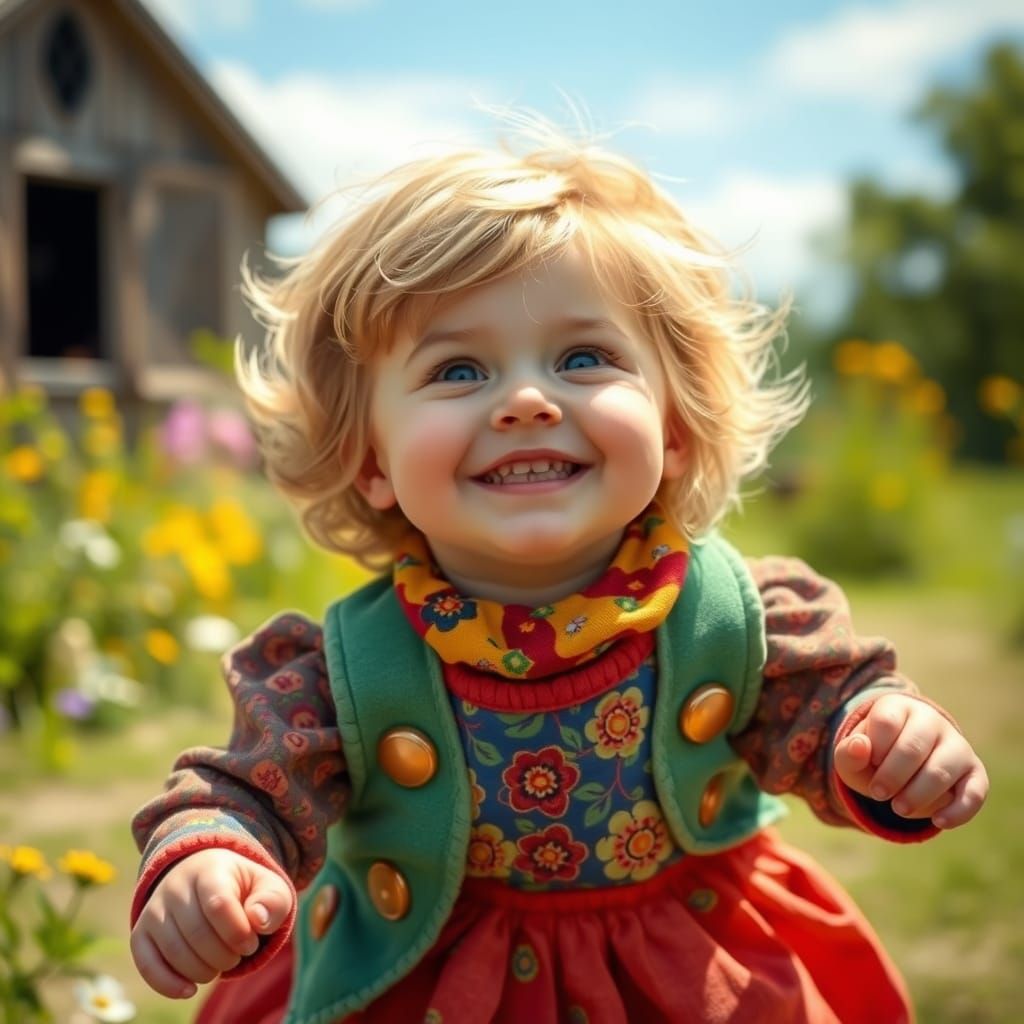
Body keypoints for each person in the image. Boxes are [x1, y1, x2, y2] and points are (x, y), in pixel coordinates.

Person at [129, 124, 989, 1024]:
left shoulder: (738, 621)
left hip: (690, 973)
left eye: (585, 358)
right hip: (431, 980)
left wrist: (884, 736)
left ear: (675, 427)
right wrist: (212, 856)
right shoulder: (338, 675)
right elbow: (247, 791)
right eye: (458, 369)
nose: (528, 400)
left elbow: (827, 713)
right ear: (372, 460)